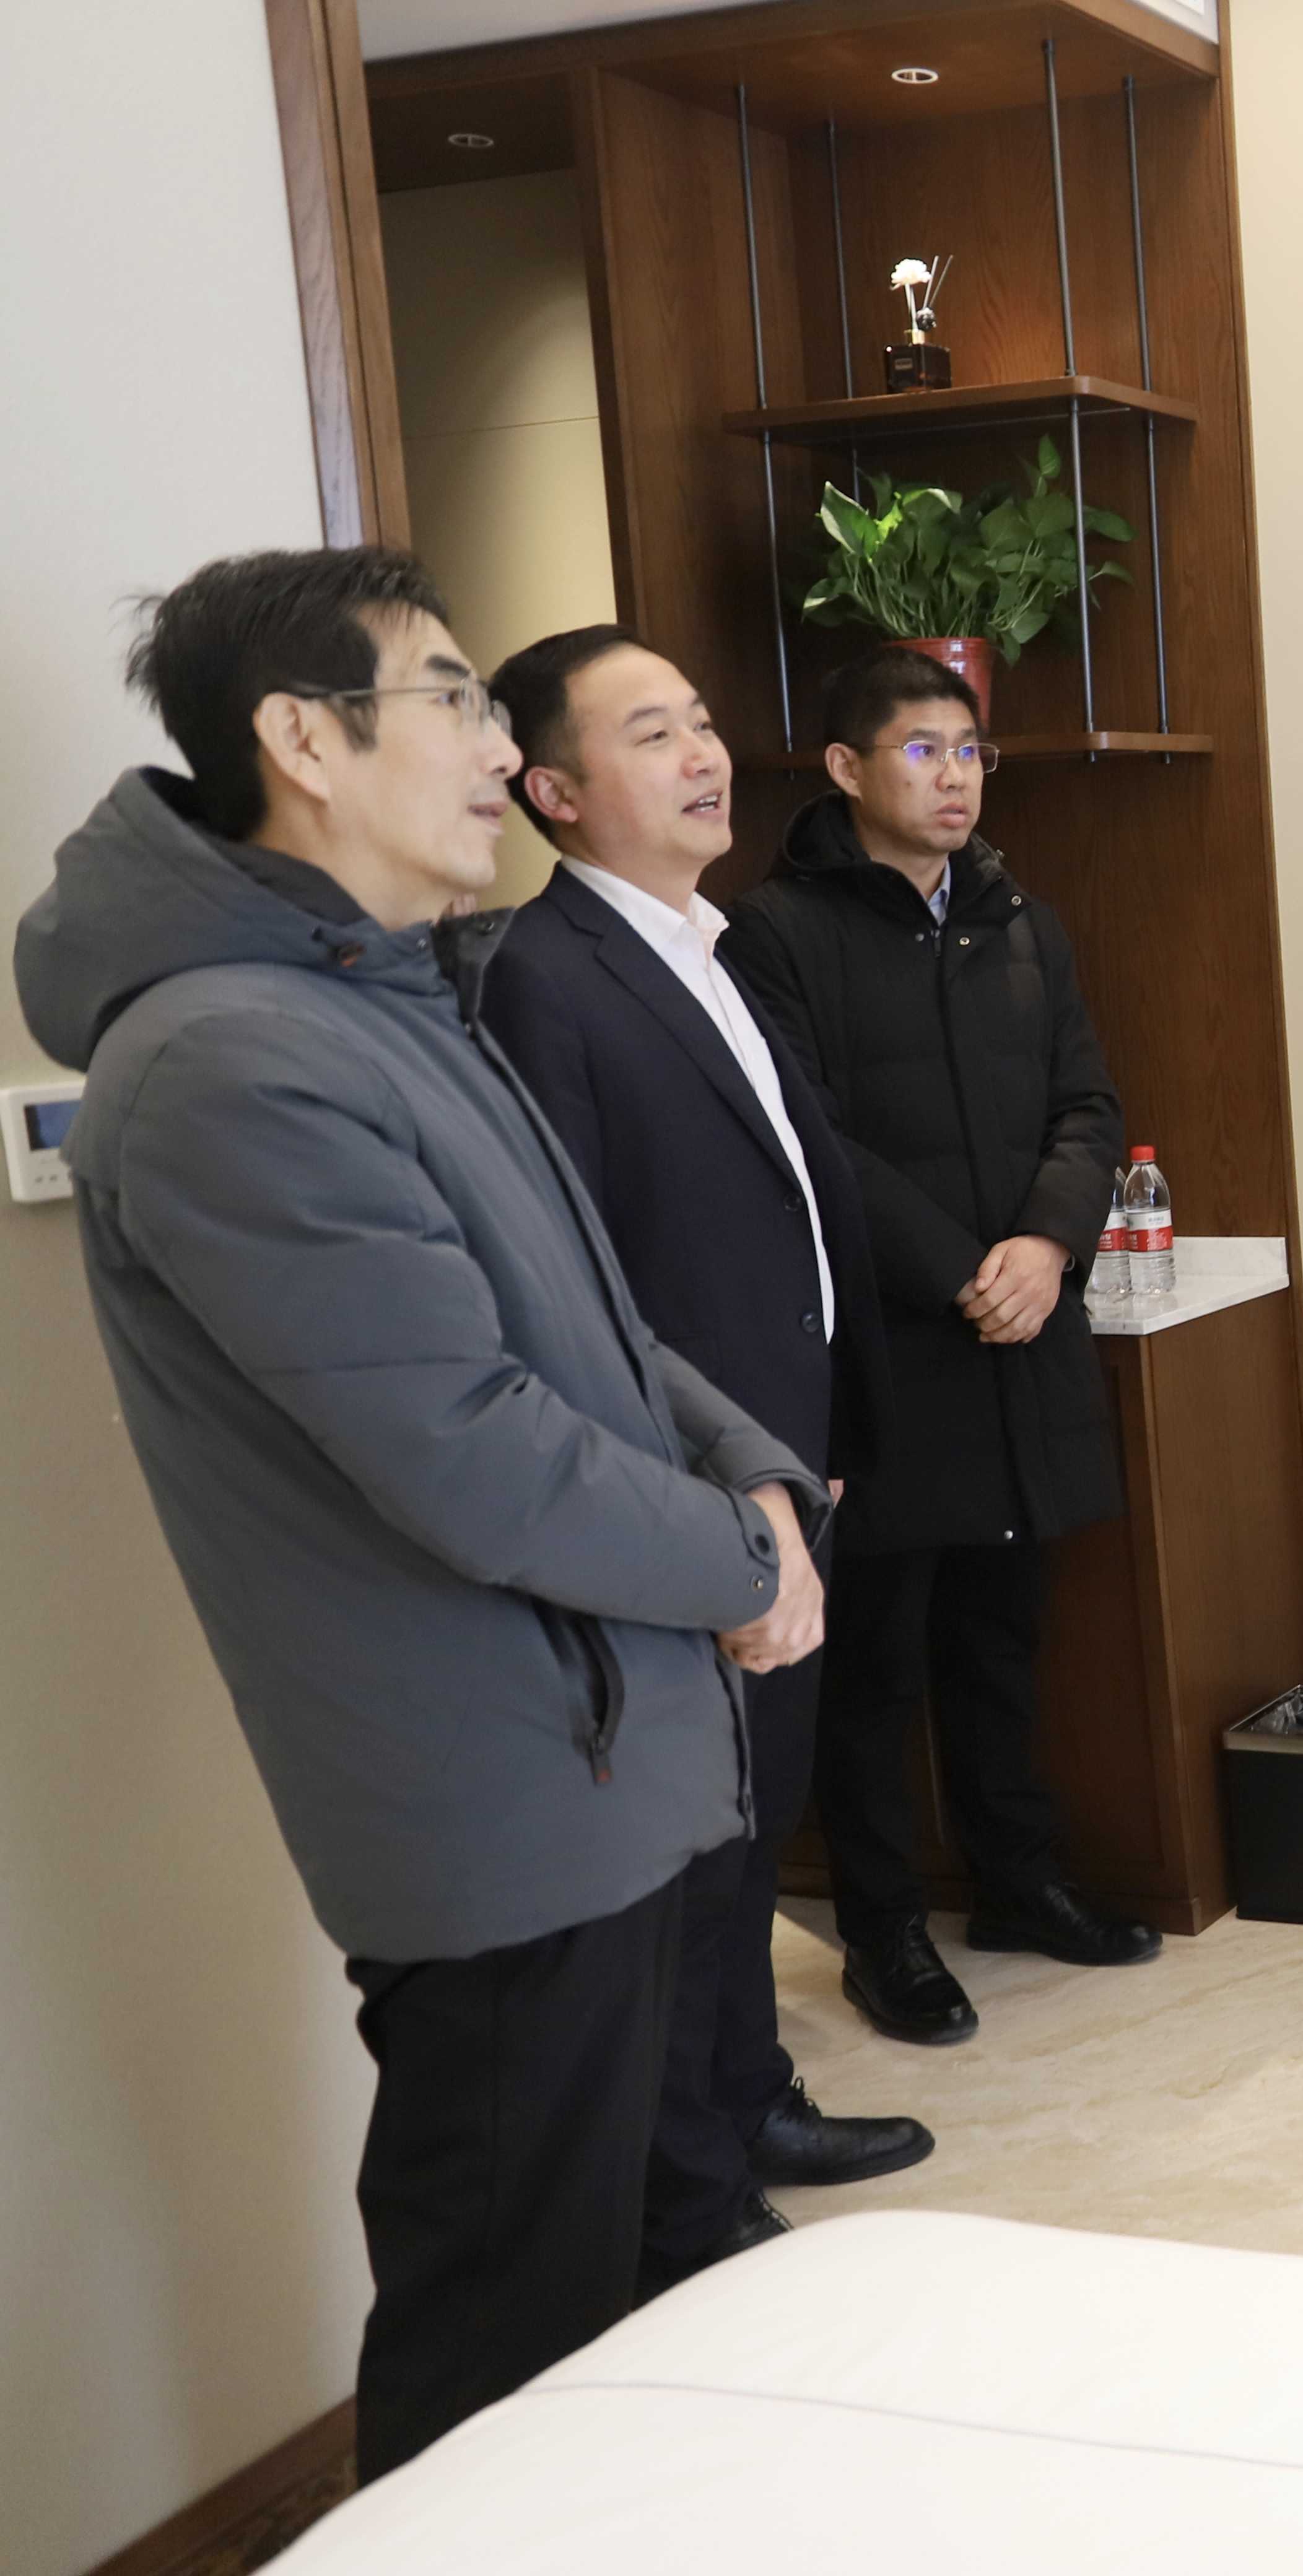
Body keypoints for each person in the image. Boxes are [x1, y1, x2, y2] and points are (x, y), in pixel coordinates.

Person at [14, 549, 829, 2477]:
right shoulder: (231, 1059)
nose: (491, 743)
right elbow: (466, 1442)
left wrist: (752, 1472)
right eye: (453, 695)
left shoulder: (392, 1000)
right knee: (504, 2340)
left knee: (629, 2309)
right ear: (304, 742)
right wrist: (739, 1559)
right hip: (501, 1799)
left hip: (607, 1749)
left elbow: (598, 1330)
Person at [481, 625, 934, 2292]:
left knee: (760, 1813)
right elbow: (577, 1280)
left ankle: (750, 2100)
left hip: (785, 1461)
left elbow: (790, 1204)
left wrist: (823, 1442)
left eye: (701, 721)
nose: (704, 754)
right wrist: (709, 1483)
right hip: (689, 1491)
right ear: (552, 790)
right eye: (652, 731)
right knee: (692, 1842)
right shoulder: (544, 976)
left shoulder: (706, 945)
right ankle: (692, 2178)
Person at [721, 646, 1154, 2047]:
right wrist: (966, 1268)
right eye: (922, 751)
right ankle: (885, 1928)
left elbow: (1088, 1105)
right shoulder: (775, 934)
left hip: (1020, 1333)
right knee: (876, 1661)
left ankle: (1020, 1881)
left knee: (1004, 1637)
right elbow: (809, 1143)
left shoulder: (1021, 919)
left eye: (970, 753)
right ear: (847, 769)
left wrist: (1047, 1246)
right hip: (890, 1346)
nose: (955, 778)